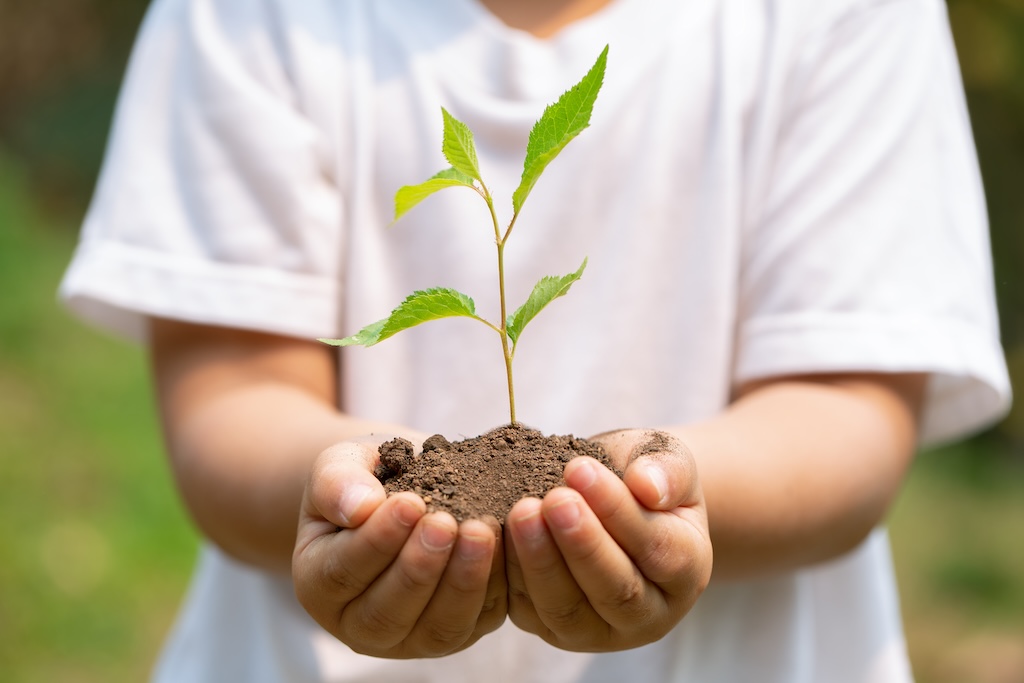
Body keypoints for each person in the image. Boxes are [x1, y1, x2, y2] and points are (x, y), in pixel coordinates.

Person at [60, 0, 1012, 680]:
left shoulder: (847, 15)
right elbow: (231, 391)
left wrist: (653, 496)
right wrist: (365, 496)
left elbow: (849, 413)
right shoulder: (249, 15)